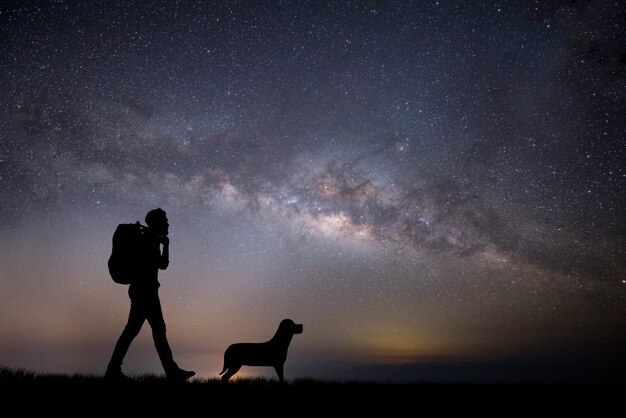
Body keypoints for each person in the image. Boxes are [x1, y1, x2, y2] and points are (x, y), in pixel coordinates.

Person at [105, 208, 195, 382]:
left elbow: (161, 265)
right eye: (165, 220)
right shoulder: (148, 239)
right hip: (145, 292)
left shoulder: (150, 239)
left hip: (144, 291)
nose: (168, 223)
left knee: (137, 331)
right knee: (151, 331)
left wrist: (165, 245)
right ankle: (170, 372)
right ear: (156, 222)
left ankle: (114, 370)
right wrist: (165, 246)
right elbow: (162, 264)